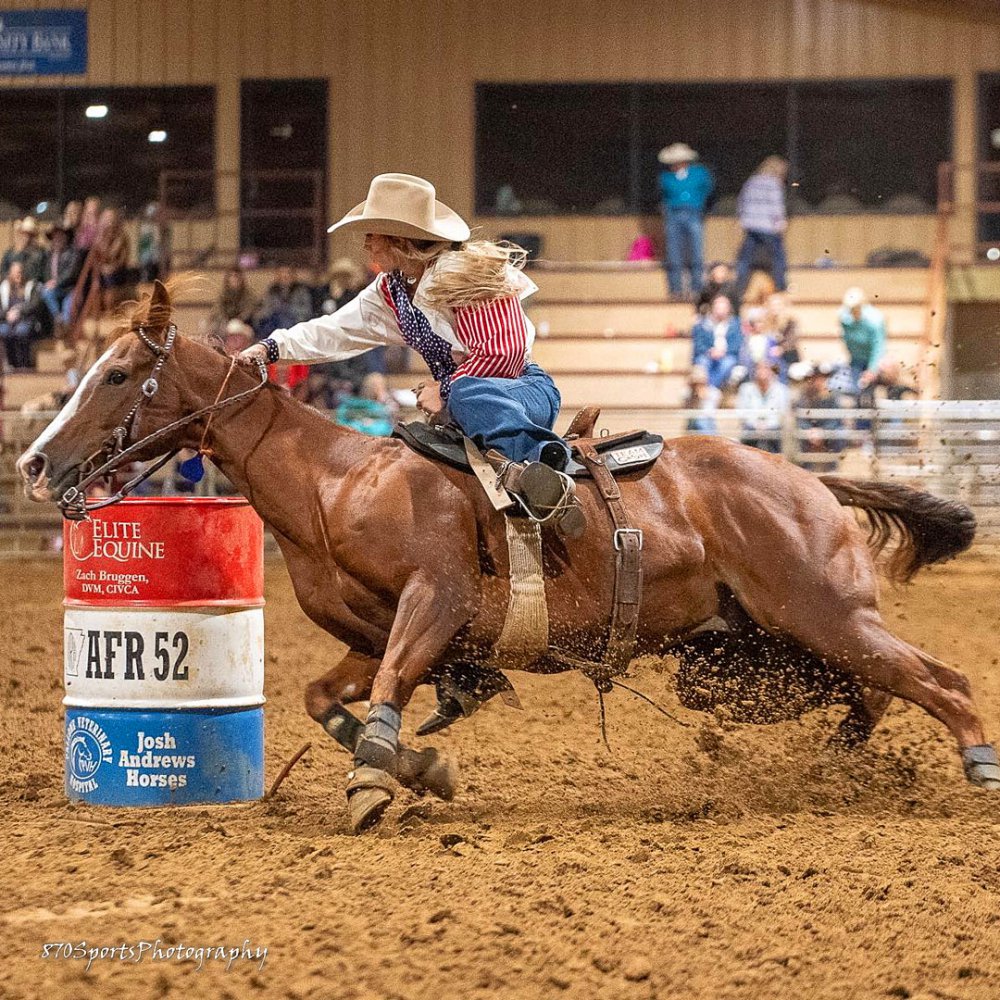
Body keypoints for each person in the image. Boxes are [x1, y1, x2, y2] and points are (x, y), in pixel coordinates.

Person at [239, 172, 584, 537]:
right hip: (469, 402)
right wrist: (270, 348)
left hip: (519, 394)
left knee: (469, 397)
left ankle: (541, 474)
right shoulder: (392, 289)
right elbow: (336, 330)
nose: (366, 243)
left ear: (398, 240)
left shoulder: (465, 273)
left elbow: (506, 352)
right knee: (408, 443)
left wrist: (446, 389)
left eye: (373, 233)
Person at [658, 142, 714, 300]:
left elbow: (707, 189)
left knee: (696, 251)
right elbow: (664, 194)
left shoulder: (699, 173)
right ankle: (676, 289)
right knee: (674, 252)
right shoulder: (666, 177)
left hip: (693, 212)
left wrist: (699, 203)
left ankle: (696, 288)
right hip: (673, 214)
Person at [735, 156, 789, 292]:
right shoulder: (774, 183)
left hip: (751, 224)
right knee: (778, 257)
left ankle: (740, 286)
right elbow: (776, 205)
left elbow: (742, 201)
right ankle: (780, 285)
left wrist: (743, 219)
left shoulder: (751, 181)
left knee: (745, 258)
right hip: (768, 226)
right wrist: (780, 222)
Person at [0, 261, 53, 369]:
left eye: (20, 272)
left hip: (27, 320)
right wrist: (7, 315)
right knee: (4, 331)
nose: (18, 275)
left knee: (22, 331)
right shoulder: (3, 288)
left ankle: (24, 364)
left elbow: (35, 304)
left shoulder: (31, 286)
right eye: (15, 273)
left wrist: (19, 311)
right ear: (10, 274)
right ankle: (11, 363)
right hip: (8, 320)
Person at [794, 361, 845, 471]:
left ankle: (832, 467)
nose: (820, 381)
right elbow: (800, 417)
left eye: (822, 378)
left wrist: (823, 431)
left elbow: (835, 419)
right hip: (809, 432)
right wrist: (809, 430)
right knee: (797, 436)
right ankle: (805, 469)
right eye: (817, 378)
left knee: (839, 434)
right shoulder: (804, 396)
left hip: (828, 430)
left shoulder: (832, 396)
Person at [691, 293, 743, 391]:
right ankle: (711, 390)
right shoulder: (702, 324)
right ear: (712, 308)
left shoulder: (735, 324)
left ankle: (710, 389)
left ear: (729, 309)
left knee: (728, 363)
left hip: (727, 355)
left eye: (723, 308)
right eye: (718, 307)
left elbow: (737, 344)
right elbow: (698, 344)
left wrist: (723, 352)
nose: (720, 311)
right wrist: (710, 351)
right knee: (702, 362)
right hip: (707, 355)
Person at [839, 287, 886, 395]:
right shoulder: (844, 317)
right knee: (855, 390)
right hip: (855, 360)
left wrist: (872, 369)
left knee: (869, 391)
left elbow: (878, 347)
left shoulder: (875, 321)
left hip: (872, 360)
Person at [736, 360, 789, 453]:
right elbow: (742, 412)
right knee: (748, 436)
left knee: (775, 435)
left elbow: (782, 413)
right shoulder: (745, 389)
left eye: (766, 368)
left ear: (772, 372)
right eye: (759, 368)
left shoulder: (782, 390)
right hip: (751, 427)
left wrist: (767, 425)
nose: (762, 372)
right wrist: (755, 425)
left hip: (773, 428)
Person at [39, 224, 82, 328]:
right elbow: (45, 272)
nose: (57, 239)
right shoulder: (49, 254)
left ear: (66, 237)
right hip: (55, 289)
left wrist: (56, 282)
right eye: (55, 237)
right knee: (45, 292)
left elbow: (71, 273)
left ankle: (66, 331)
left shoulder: (73, 253)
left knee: (68, 309)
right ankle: (58, 318)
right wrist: (48, 282)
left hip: (69, 289)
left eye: (60, 236)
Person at [254, 265, 314, 339]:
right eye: (282, 273)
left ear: (293, 276)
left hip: (294, 319)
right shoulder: (273, 290)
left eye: (288, 273)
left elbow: (306, 310)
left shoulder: (301, 290)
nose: (285, 276)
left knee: (285, 320)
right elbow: (266, 308)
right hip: (275, 320)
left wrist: (288, 310)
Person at [209, 267, 259, 334]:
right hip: (225, 322)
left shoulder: (248, 294)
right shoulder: (223, 294)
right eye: (231, 277)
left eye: (236, 277)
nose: (234, 279)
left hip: (243, 323)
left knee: (237, 327)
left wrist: (238, 319)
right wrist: (225, 320)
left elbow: (249, 310)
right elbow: (217, 309)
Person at [2, 217, 47, 283]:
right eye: (24, 234)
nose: (26, 237)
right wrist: (11, 276)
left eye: (30, 235)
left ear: (34, 236)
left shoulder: (41, 253)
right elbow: (3, 271)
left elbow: (41, 273)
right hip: (12, 283)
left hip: (32, 283)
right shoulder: (10, 253)